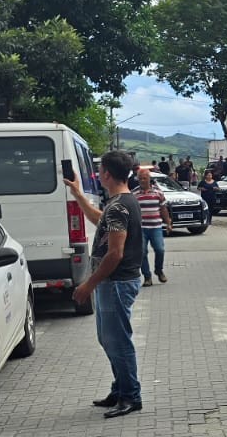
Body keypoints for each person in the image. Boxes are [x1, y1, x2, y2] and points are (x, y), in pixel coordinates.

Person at [67, 151, 144, 418]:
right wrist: (78, 195)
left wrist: (88, 284)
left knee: (118, 341)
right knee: (108, 339)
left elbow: (115, 253)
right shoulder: (119, 204)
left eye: (99, 171)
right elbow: (99, 219)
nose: (98, 176)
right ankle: (120, 388)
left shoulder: (119, 206)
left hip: (116, 282)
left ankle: (130, 395)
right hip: (114, 283)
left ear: (107, 174)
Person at [134, 165, 173, 287]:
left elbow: (163, 209)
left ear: (149, 179)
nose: (142, 181)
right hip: (141, 229)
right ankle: (147, 276)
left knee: (160, 249)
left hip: (156, 227)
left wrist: (168, 223)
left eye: (144, 178)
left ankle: (159, 270)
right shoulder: (134, 194)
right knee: (142, 252)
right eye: (140, 178)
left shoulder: (158, 193)